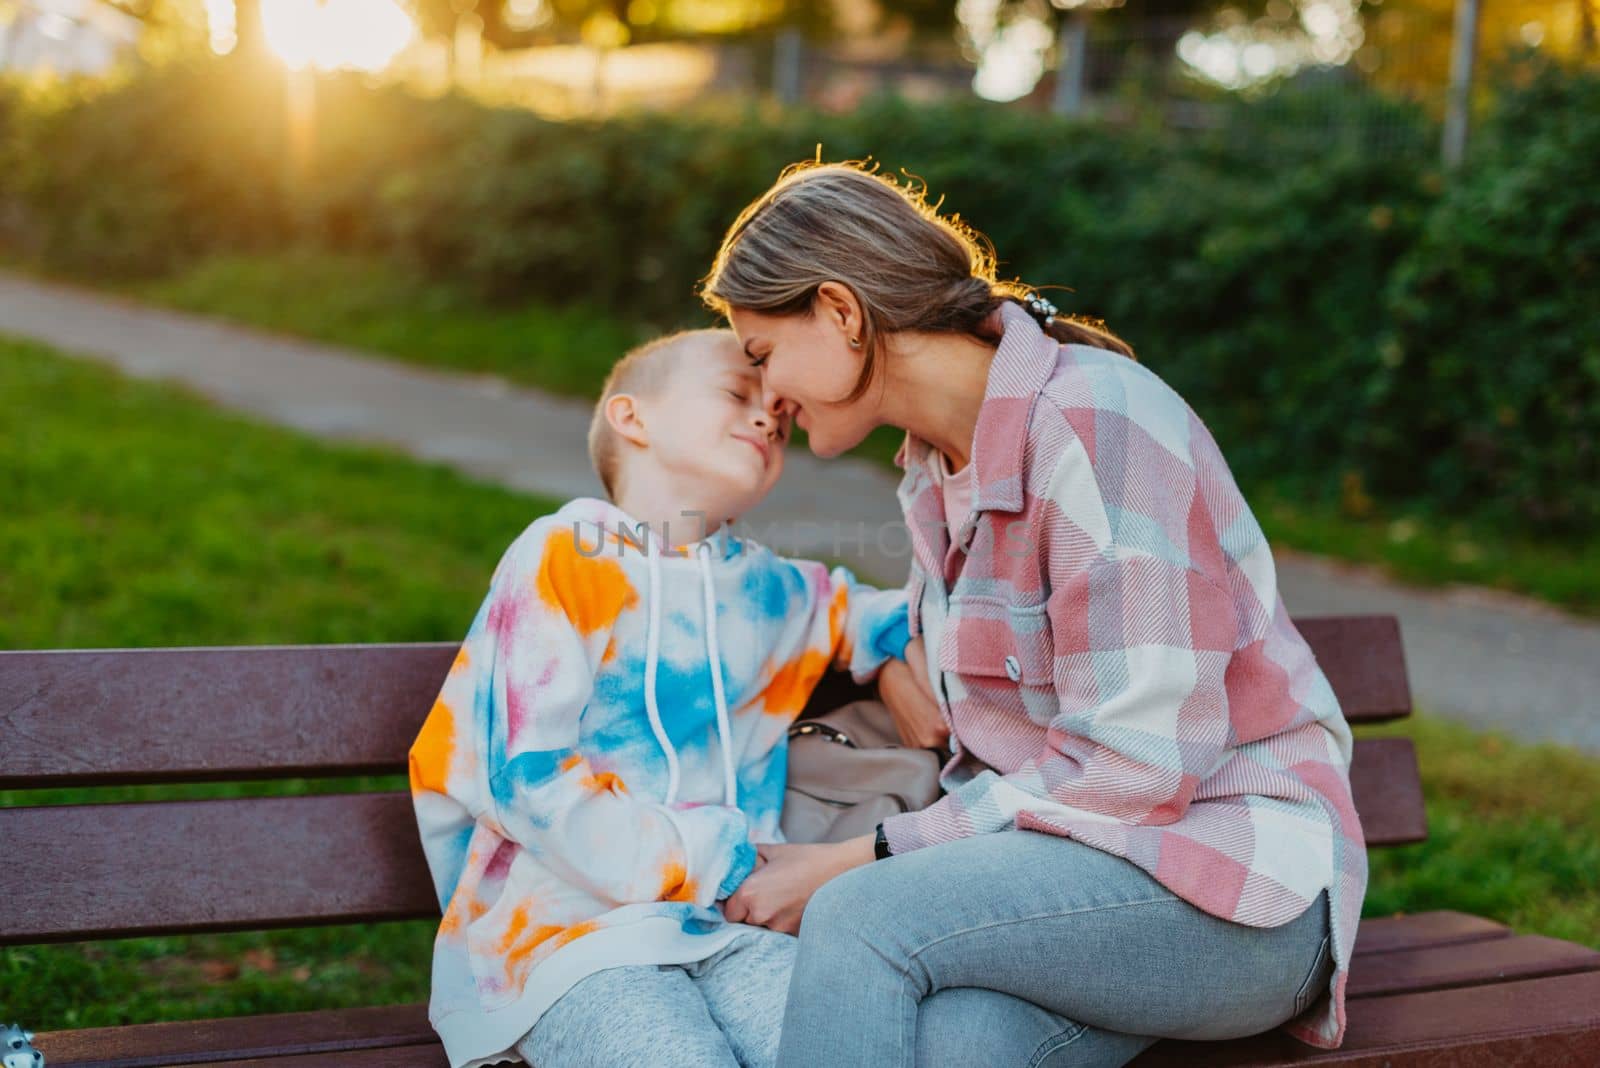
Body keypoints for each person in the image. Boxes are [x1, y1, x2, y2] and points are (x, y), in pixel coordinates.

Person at [703, 162, 1368, 1067]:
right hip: (1078, 891)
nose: (766, 393)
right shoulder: (940, 467)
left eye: (760, 352)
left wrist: (873, 854)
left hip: (1231, 892)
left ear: (841, 312)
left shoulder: (1098, 429)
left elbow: (1135, 769)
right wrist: (898, 659)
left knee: (857, 916)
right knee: (948, 1050)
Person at [407, 328, 924, 1068]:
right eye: (736, 396)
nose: (766, 420)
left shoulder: (766, 587)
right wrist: (715, 857)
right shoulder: (564, 558)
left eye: (779, 416)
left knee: (852, 1046)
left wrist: (897, 655)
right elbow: (525, 779)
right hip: (567, 939)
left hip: (734, 929)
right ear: (632, 419)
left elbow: (872, 612)